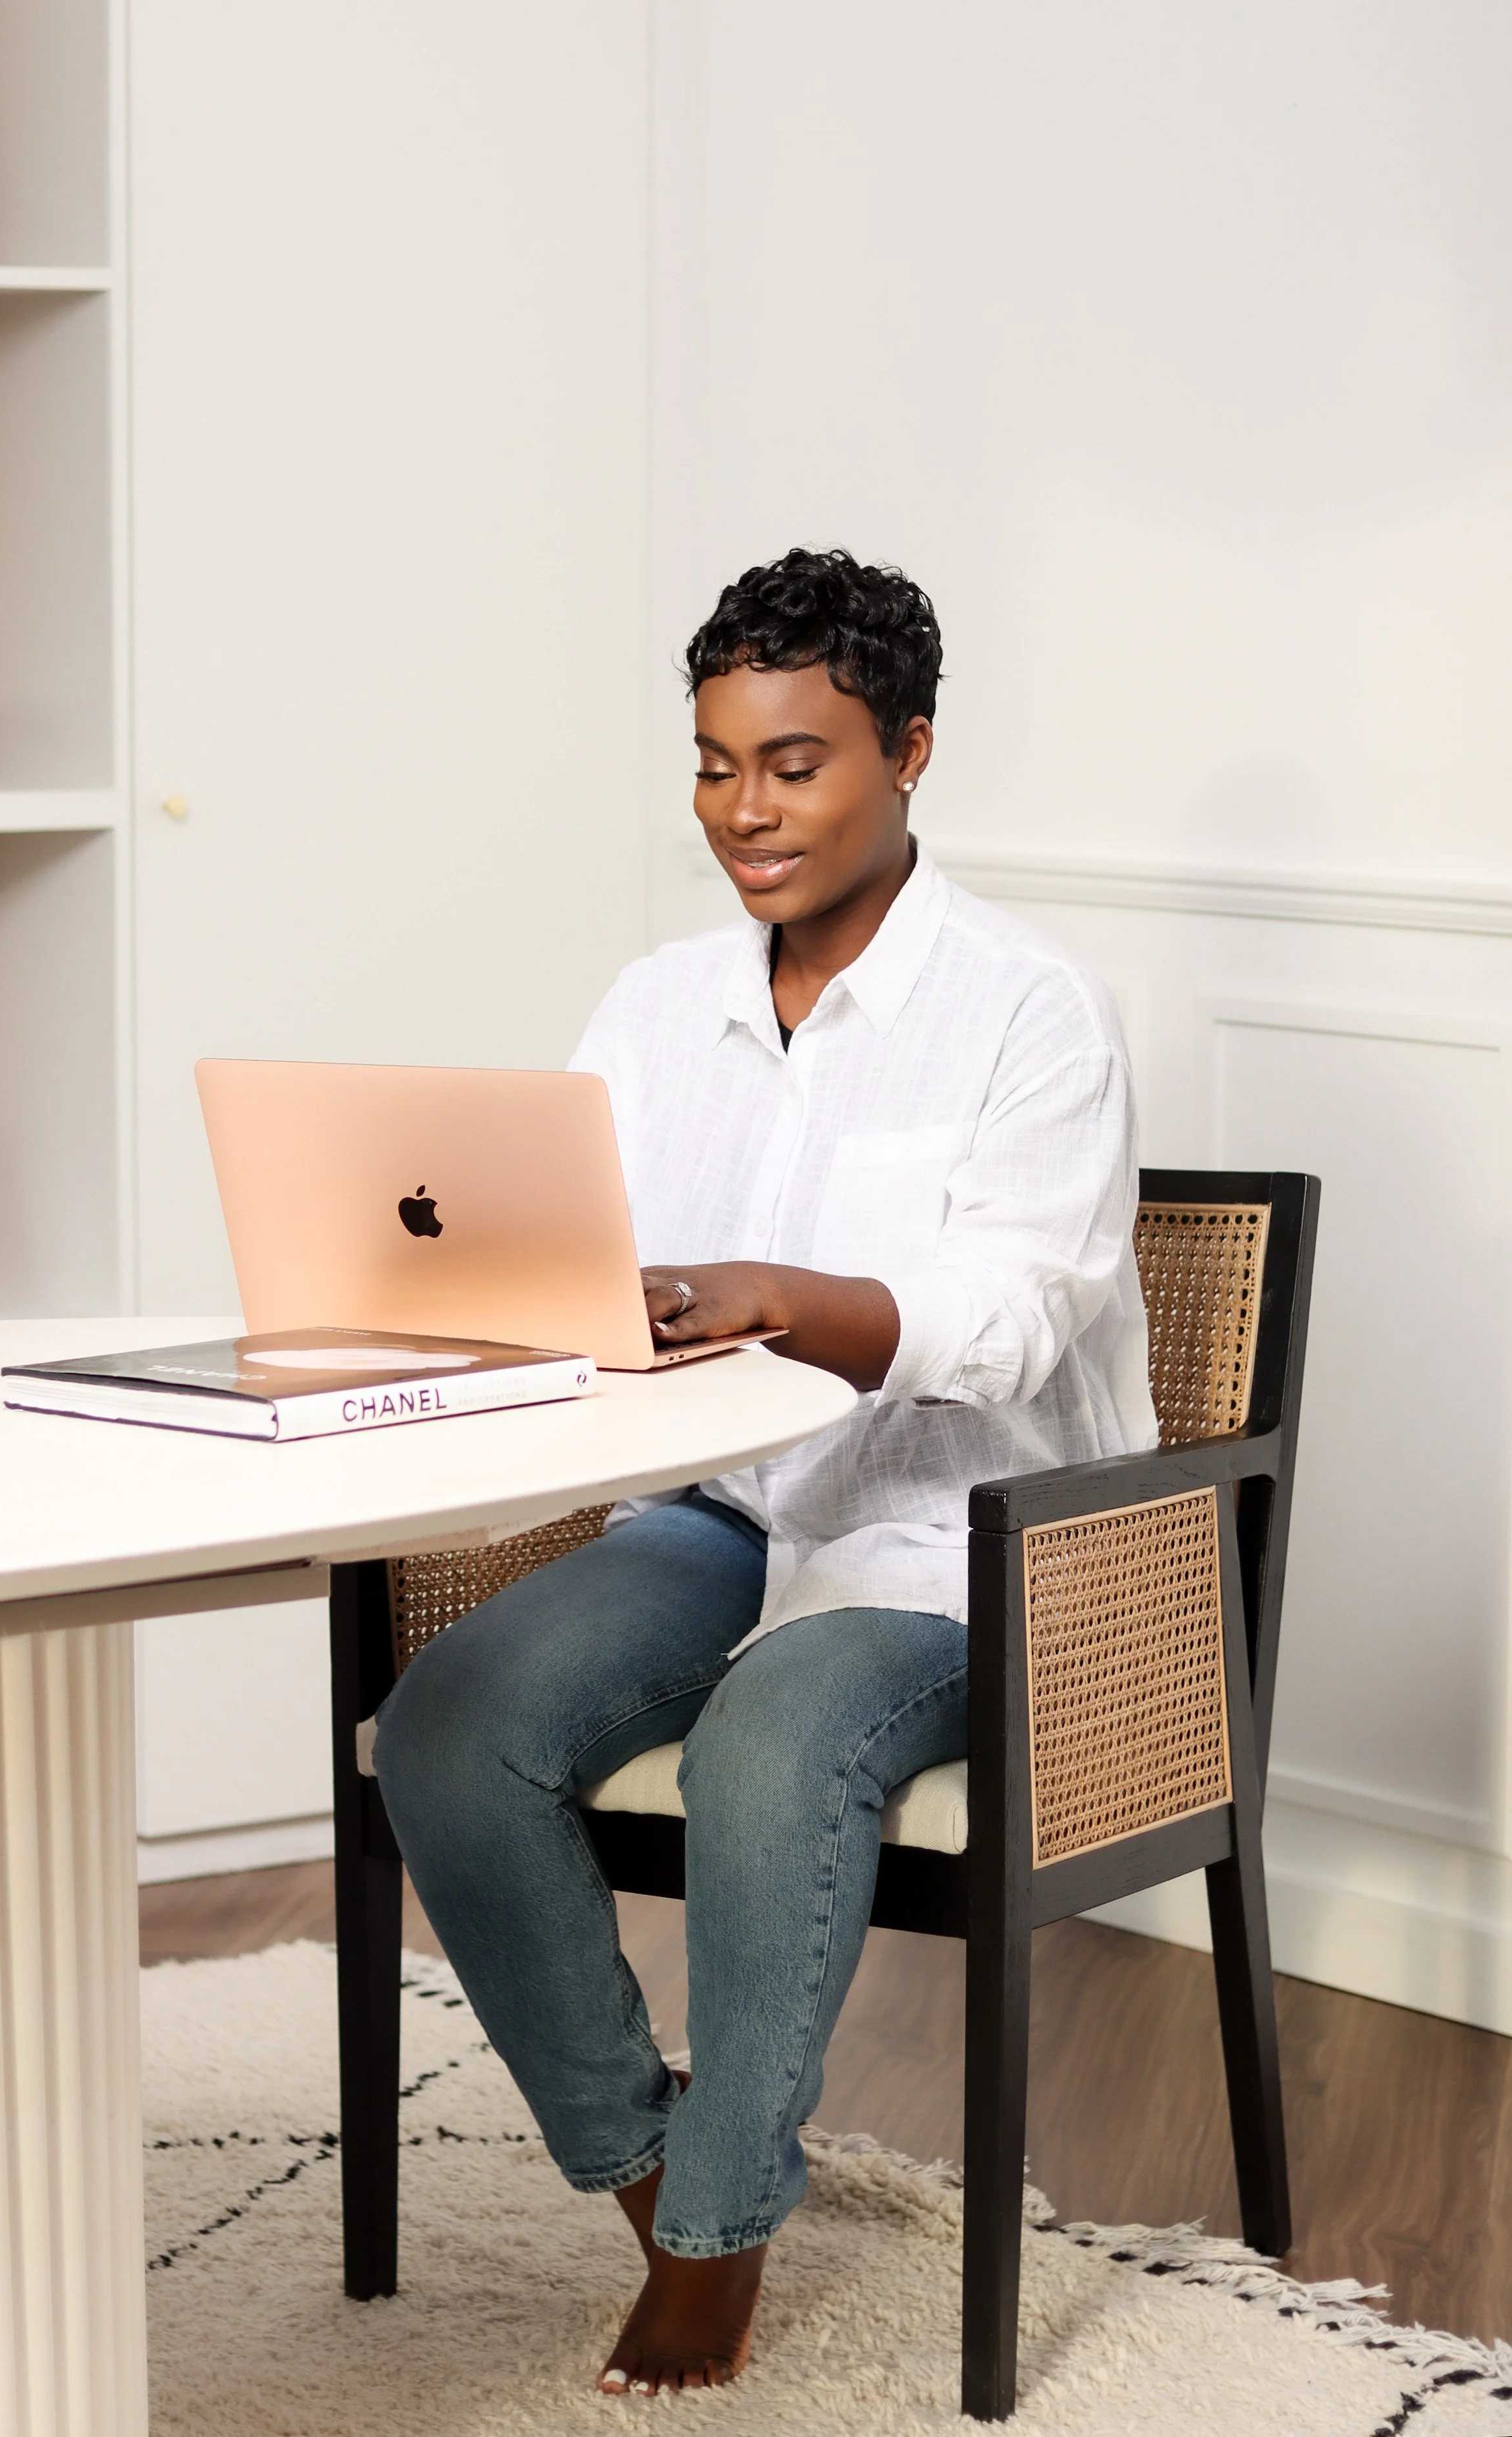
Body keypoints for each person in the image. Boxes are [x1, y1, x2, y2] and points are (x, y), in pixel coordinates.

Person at [371, 547, 1158, 2396]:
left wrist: (770, 1296)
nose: (744, 810)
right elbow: (573, 1245)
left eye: (792, 764)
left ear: (909, 750)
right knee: (448, 1723)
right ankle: (650, 2162)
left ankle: (717, 2243)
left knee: (773, 1744)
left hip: (962, 1536)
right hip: (727, 1504)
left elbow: (1016, 1320)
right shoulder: (655, 1005)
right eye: (716, 764)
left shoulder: (1032, 1009)